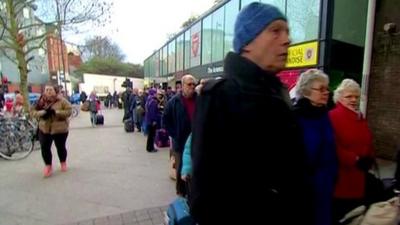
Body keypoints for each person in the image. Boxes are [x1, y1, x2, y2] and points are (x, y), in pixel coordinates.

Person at [189, 3, 311, 224]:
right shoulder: (219, 97)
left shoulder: (278, 94)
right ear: (247, 43)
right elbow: (204, 197)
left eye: (287, 31)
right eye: (275, 30)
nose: (287, 39)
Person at [293, 69, 338, 225]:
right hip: (304, 188)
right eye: (321, 89)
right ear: (306, 91)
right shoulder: (296, 116)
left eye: (327, 88)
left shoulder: (324, 115)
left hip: (326, 184)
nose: (326, 93)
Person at [329, 79, 375, 223]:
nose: (354, 99)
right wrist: (354, 159)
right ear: (339, 97)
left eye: (356, 96)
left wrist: (370, 157)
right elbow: (333, 146)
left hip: (360, 176)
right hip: (342, 178)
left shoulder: (359, 117)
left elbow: (367, 139)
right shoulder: (333, 116)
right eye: (349, 96)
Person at [164, 74, 197, 196]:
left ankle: (192, 192)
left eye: (194, 84)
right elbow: (165, 120)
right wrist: (174, 134)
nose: (192, 87)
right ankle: (181, 193)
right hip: (180, 142)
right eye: (189, 84)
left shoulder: (199, 99)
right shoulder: (174, 102)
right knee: (180, 169)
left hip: (196, 140)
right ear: (182, 86)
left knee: (194, 168)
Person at [31, 83, 72, 177]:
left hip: (59, 129)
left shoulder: (62, 101)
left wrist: (56, 112)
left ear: (55, 91)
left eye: (50, 90)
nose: (48, 92)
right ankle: (48, 166)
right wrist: (41, 113)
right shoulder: (40, 101)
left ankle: (63, 162)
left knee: (60, 147)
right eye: (47, 90)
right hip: (44, 128)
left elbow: (69, 111)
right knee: (45, 148)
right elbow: (32, 112)